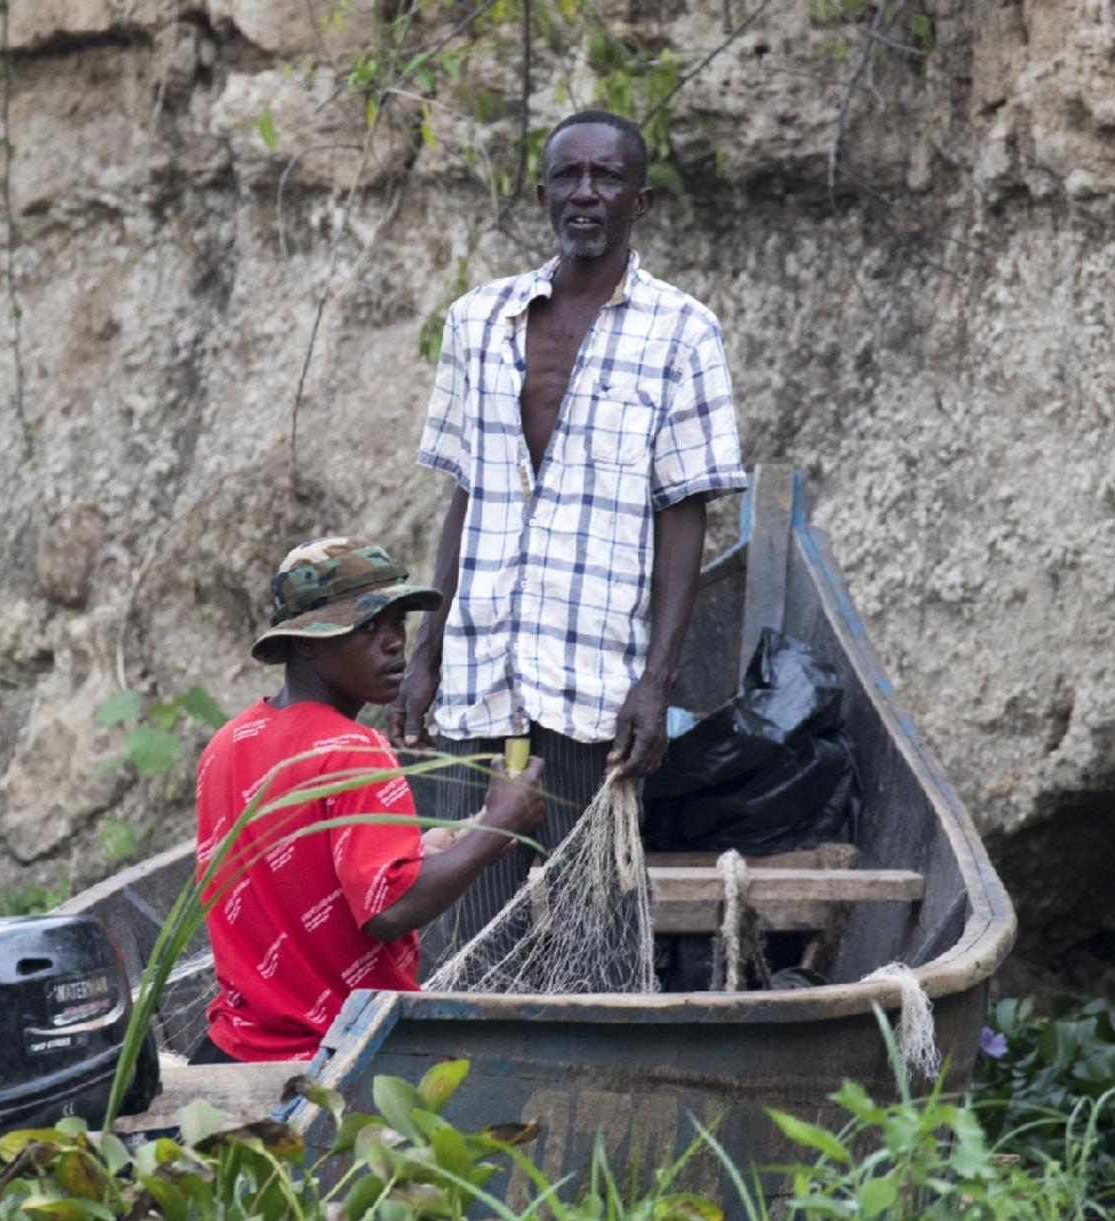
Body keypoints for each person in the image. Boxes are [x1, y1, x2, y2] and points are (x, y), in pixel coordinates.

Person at [391, 109, 749, 967]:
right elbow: (466, 494)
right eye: (568, 177)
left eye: (606, 178)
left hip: (594, 678)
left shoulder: (682, 332)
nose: (585, 193)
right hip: (481, 668)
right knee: (465, 922)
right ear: (543, 192)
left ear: (641, 201)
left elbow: (683, 513)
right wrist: (426, 651)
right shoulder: (480, 322)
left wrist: (655, 683)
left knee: (597, 926)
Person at [191, 536, 545, 1064]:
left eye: (396, 622)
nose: (393, 642)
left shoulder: (227, 745)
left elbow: (312, 878)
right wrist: (498, 825)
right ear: (307, 642)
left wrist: (449, 843)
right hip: (335, 1054)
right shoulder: (354, 749)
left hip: (236, 1051)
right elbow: (389, 908)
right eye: (366, 626)